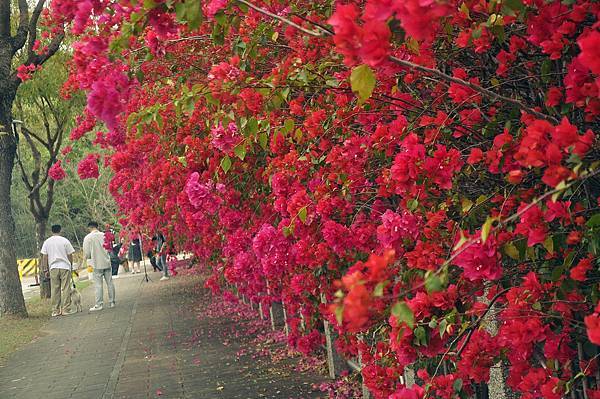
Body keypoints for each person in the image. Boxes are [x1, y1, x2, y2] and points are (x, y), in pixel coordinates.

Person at [40, 224, 76, 317]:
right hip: (65, 266)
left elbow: (44, 256)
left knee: (55, 289)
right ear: (60, 230)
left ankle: (55, 310)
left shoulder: (47, 242)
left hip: (53, 267)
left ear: (51, 231)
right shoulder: (65, 241)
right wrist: (71, 266)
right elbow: (70, 255)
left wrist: (45, 269)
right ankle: (65, 309)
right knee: (66, 288)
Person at [83, 221, 115, 311]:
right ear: (97, 226)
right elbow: (109, 248)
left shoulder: (88, 238)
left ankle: (99, 304)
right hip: (107, 261)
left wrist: (88, 258)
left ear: (89, 228)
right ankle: (112, 301)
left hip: (96, 263)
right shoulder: (104, 235)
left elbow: (87, 253)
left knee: (98, 284)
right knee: (110, 282)